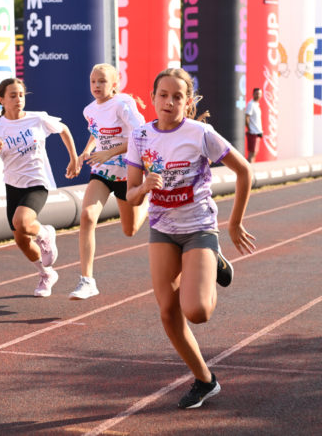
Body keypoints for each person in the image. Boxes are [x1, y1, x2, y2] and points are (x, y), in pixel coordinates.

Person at [126, 68, 255, 409]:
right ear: (152, 98)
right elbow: (131, 195)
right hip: (162, 229)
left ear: (188, 101)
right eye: (163, 95)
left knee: (196, 311)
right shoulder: (139, 136)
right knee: (168, 312)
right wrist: (143, 187)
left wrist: (234, 223)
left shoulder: (201, 134)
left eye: (177, 97)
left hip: (199, 226)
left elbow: (244, 171)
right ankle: (204, 380)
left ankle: (213, 260)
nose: (169, 102)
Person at [0, 78, 79, 297]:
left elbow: (64, 129)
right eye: (13, 96)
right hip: (13, 186)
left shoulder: (37, 118)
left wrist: (74, 159)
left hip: (37, 182)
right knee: (21, 239)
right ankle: (46, 274)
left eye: (21, 95)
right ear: (1, 100)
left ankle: (45, 233)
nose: (18, 99)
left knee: (22, 222)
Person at [68, 63, 149, 300]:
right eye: (93, 81)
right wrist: (85, 153)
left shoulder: (123, 104)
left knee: (130, 230)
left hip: (128, 172)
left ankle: (148, 199)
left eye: (102, 81)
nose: (96, 86)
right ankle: (87, 280)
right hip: (102, 171)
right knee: (87, 216)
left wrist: (111, 152)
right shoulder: (89, 110)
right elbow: (97, 132)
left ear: (115, 84)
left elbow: (140, 135)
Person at [245, 87, 263, 163]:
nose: (258, 95)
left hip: (257, 132)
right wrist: (249, 129)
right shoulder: (251, 104)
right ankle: (249, 171)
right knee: (252, 153)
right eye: (256, 94)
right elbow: (246, 117)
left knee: (254, 153)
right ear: (253, 94)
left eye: (259, 94)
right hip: (253, 132)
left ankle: (251, 170)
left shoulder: (256, 105)